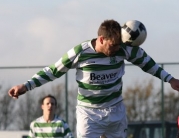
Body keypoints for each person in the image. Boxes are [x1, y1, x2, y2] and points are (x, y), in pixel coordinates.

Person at [8, 19, 179, 138]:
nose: (116, 49)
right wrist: (26, 85)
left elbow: (147, 63)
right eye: (113, 45)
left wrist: (170, 79)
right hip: (89, 113)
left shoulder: (123, 48)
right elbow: (53, 71)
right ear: (102, 39)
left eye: (119, 45)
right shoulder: (80, 52)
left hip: (116, 110)